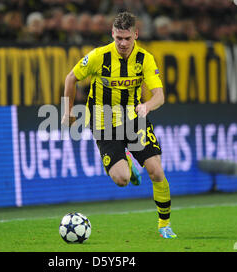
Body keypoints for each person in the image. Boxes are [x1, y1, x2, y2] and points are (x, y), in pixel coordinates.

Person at [62, 12, 176, 239]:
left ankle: (164, 224)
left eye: (127, 38)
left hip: (134, 119)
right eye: (118, 38)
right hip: (103, 122)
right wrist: (67, 112)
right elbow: (70, 79)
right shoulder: (98, 56)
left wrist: (148, 106)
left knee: (156, 171)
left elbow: (159, 96)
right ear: (112, 34)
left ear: (136, 34)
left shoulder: (145, 59)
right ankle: (129, 164)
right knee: (122, 180)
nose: (123, 43)